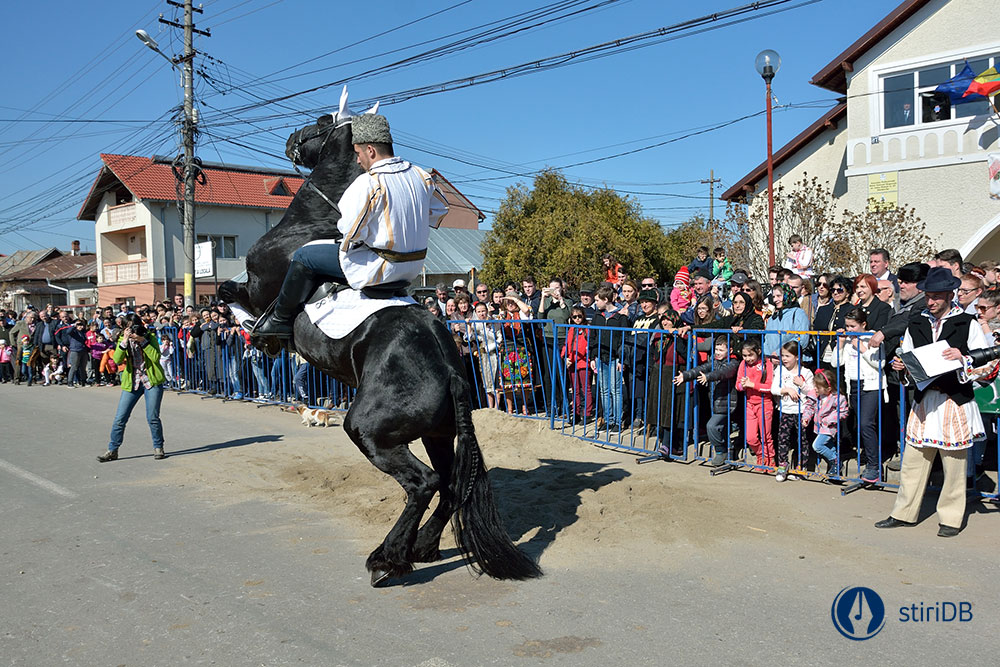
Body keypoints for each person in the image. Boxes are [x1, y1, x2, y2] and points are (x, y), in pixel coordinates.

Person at [255, 113, 449, 338]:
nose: (358, 161)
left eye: (358, 153)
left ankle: (280, 321)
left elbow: (351, 232)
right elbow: (440, 210)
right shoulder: (421, 176)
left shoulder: (369, 183)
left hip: (379, 270)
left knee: (304, 256)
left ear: (370, 150)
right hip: (412, 268)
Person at [875, 267, 991, 537]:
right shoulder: (917, 322)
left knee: (953, 463)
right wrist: (901, 364)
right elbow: (910, 355)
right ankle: (903, 513)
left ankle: (951, 518)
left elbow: (984, 363)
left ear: (950, 295)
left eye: (937, 296)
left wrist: (963, 358)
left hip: (954, 399)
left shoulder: (968, 323)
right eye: (928, 296)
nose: (931, 302)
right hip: (925, 400)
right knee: (914, 459)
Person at [97, 316, 167, 462]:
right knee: (120, 418)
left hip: (151, 381)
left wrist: (143, 341)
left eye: (135, 327)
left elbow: (155, 357)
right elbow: (116, 360)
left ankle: (158, 447)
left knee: (152, 417)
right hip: (132, 382)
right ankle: (112, 450)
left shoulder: (150, 337)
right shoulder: (123, 339)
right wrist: (124, 342)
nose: (132, 331)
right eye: (129, 328)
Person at [837, 308, 887, 484]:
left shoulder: (873, 337)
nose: (849, 329)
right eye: (847, 326)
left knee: (866, 423)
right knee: (862, 424)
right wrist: (841, 343)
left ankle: (874, 465)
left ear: (863, 324)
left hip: (871, 385)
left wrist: (863, 348)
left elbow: (879, 363)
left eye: (853, 326)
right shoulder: (848, 339)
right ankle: (868, 458)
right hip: (854, 385)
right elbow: (836, 362)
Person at [675, 337, 740, 466]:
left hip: (726, 403)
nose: (717, 352)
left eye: (721, 350)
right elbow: (700, 368)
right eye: (716, 349)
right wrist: (685, 376)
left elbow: (723, 373)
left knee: (712, 426)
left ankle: (721, 452)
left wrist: (708, 377)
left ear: (730, 350)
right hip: (715, 401)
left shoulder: (733, 363)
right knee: (721, 428)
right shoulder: (713, 361)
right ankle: (728, 450)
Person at [771, 341, 814, 481]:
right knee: (783, 439)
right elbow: (774, 389)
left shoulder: (806, 373)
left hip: (802, 412)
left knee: (802, 440)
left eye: (787, 356)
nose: (784, 359)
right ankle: (782, 467)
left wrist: (802, 385)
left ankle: (800, 467)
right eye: (783, 356)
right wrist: (787, 390)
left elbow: (813, 393)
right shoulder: (780, 371)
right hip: (785, 410)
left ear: (797, 357)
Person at [589, 285, 629, 433]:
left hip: (614, 358)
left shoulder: (620, 317)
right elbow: (592, 338)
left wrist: (622, 359)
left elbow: (624, 339)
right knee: (604, 390)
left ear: (606, 300)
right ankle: (608, 419)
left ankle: (617, 421)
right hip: (600, 357)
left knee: (615, 390)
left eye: (597, 300)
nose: (595, 303)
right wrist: (592, 356)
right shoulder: (597, 317)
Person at [801, 369, 849, 478]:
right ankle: (836, 472)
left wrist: (831, 419)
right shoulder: (817, 395)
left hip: (829, 428)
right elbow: (810, 407)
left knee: (817, 446)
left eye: (818, 387)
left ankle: (836, 462)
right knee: (829, 447)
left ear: (828, 388)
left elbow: (844, 412)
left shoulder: (838, 398)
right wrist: (806, 418)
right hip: (819, 427)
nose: (815, 389)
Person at [736, 338, 775, 468]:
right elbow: (738, 385)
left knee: (766, 435)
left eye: (750, 355)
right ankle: (760, 454)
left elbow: (770, 387)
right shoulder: (743, 364)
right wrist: (743, 385)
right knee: (750, 437)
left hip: (765, 403)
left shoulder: (766, 364)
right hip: (749, 404)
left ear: (758, 351)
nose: (747, 358)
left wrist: (752, 384)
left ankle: (770, 458)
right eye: (744, 355)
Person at [763, 283, 811, 364]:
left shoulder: (798, 313)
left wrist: (780, 353)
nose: (775, 300)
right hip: (773, 363)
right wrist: (769, 356)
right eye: (774, 297)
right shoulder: (772, 317)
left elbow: (802, 338)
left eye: (779, 296)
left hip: (794, 363)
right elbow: (767, 340)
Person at [562, 306, 594, 424]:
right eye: (574, 316)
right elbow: (568, 344)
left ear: (583, 316)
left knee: (586, 389)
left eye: (579, 316)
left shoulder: (586, 329)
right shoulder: (571, 329)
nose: (577, 319)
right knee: (575, 389)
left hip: (583, 362)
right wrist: (565, 356)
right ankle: (575, 412)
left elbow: (582, 346)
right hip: (572, 363)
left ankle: (587, 413)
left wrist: (570, 357)